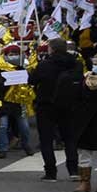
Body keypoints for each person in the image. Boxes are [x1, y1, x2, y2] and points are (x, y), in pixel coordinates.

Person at [30, 38, 80, 180]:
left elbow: (32, 81)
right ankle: (73, 170)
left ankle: (51, 172)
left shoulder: (44, 64)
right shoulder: (75, 63)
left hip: (46, 105)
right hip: (69, 105)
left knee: (46, 140)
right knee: (70, 139)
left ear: (51, 49)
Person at [66, 48, 97, 192]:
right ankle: (85, 182)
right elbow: (76, 99)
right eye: (95, 63)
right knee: (84, 153)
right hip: (85, 122)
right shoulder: (85, 79)